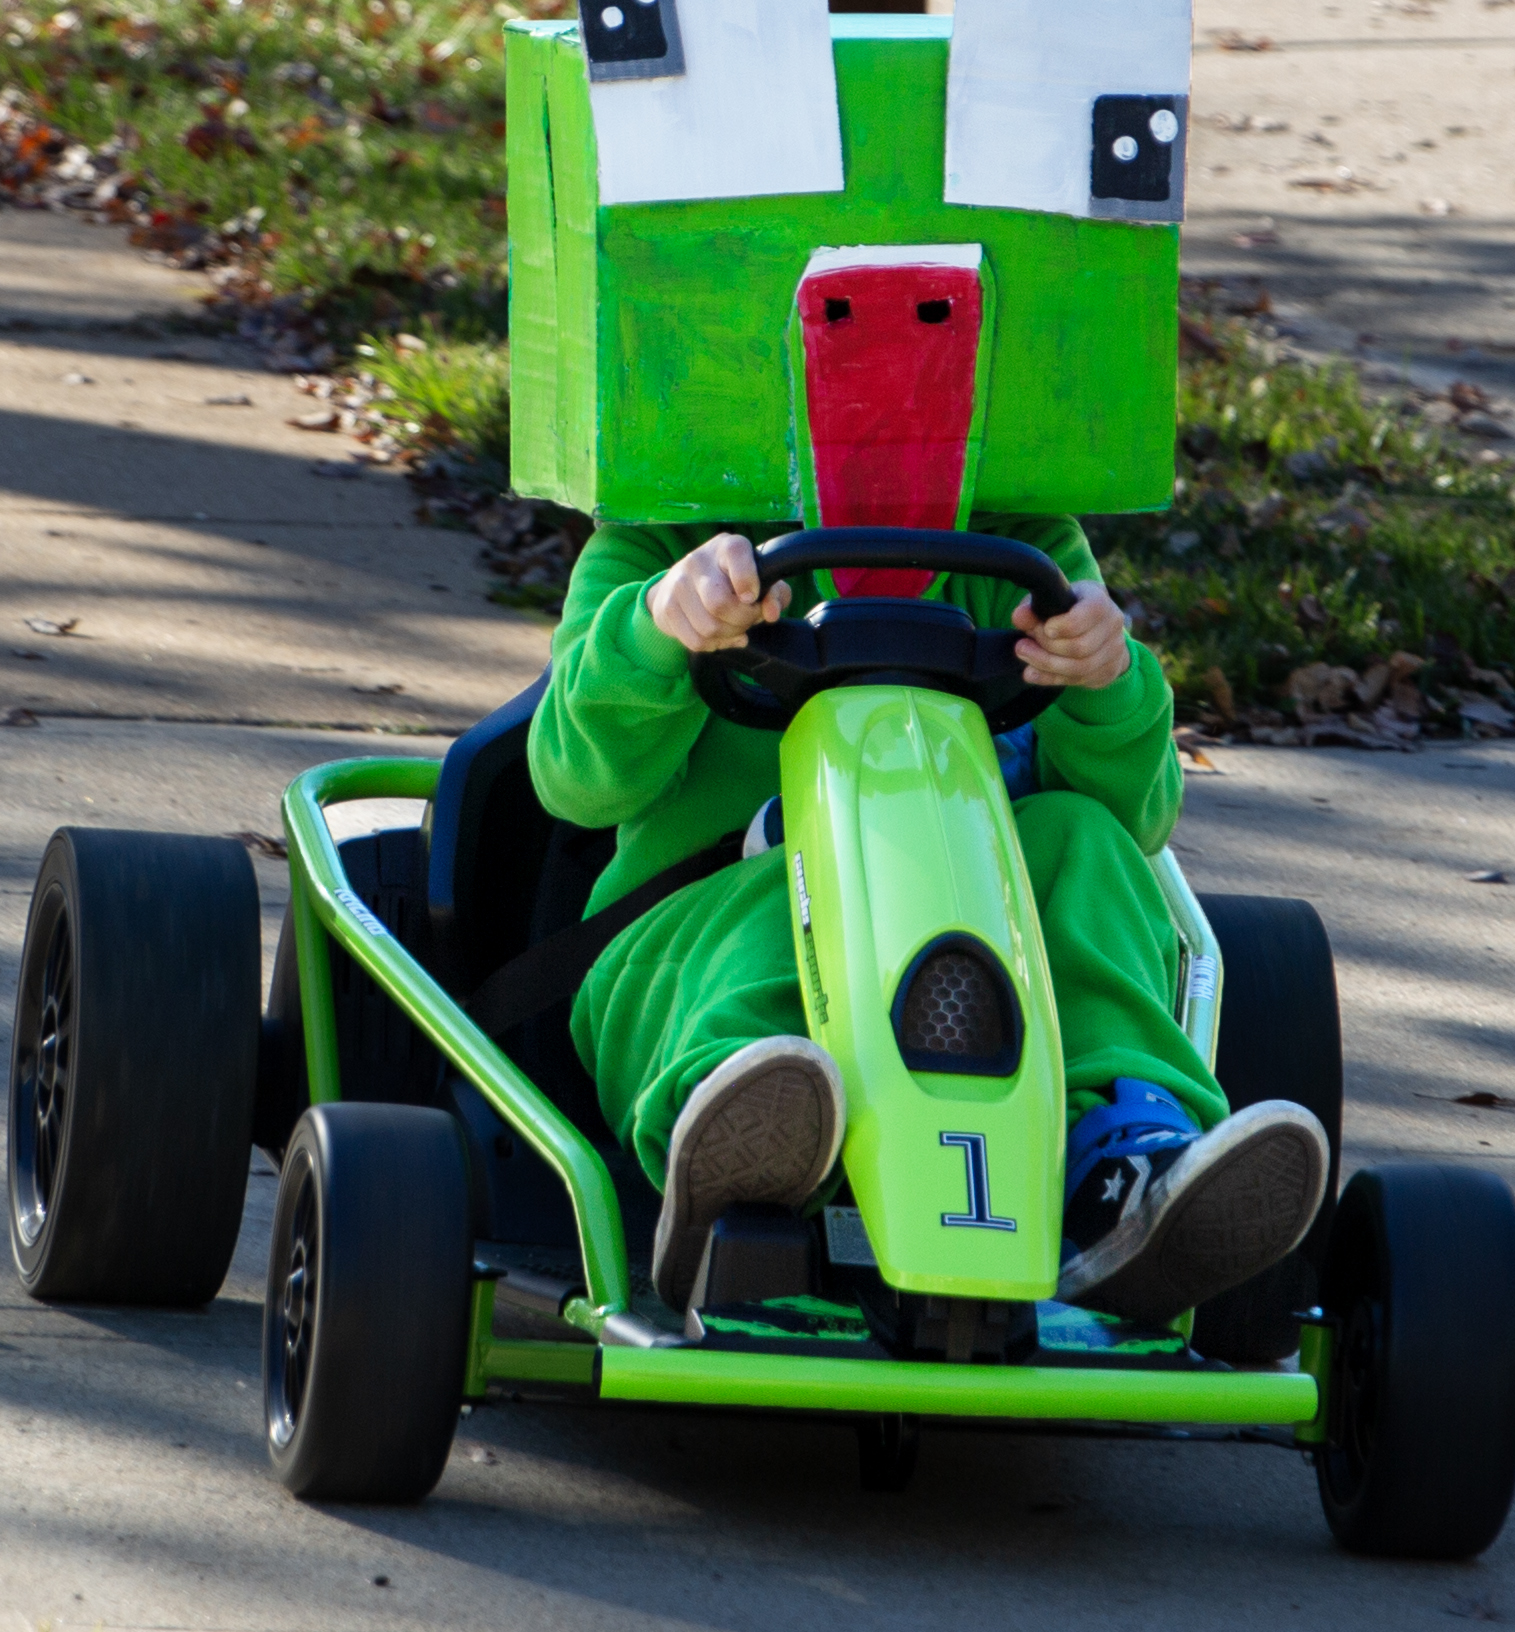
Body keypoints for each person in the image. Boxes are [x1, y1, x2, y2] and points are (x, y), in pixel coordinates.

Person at [527, 514, 1327, 1324]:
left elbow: (1134, 820)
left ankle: (1122, 1163)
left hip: (966, 946)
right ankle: (746, 1140)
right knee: (793, 890)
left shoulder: (1018, 552)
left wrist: (1103, 677)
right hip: (688, 950)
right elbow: (575, 783)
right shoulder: (654, 542)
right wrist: (656, 626)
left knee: (1085, 840)